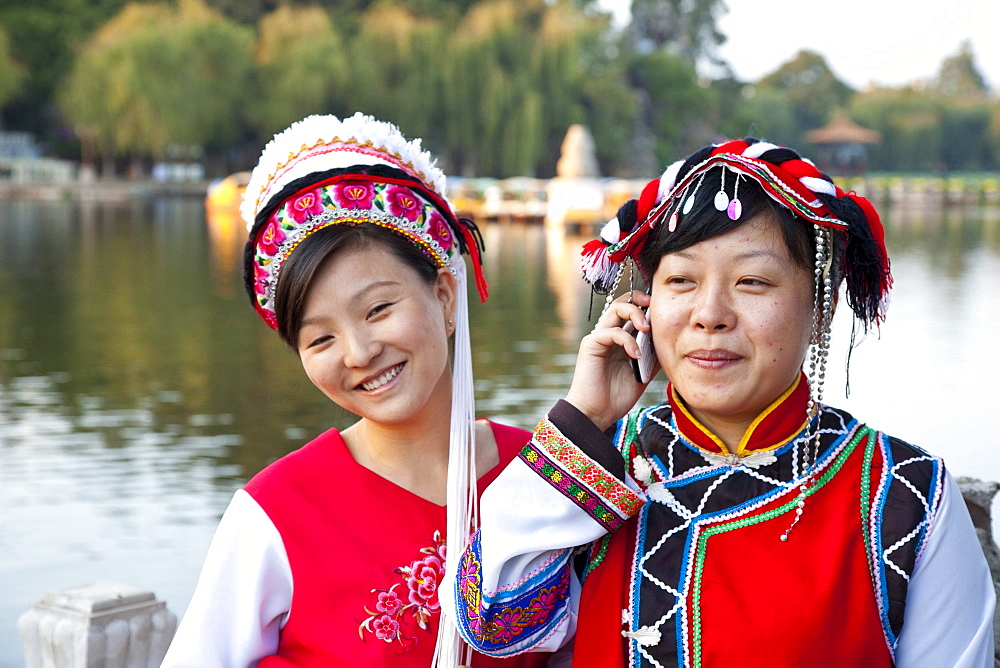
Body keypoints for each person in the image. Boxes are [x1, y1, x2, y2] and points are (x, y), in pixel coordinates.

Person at [440, 138, 996, 666]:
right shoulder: (594, 472)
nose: (710, 314)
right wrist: (585, 419)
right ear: (646, 301)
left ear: (820, 310)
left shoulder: (904, 496)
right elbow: (491, 625)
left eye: (752, 282)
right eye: (681, 280)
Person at [162, 113, 549, 667]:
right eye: (320, 338)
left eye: (378, 309)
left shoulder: (542, 474)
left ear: (443, 295)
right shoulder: (277, 513)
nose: (359, 353)